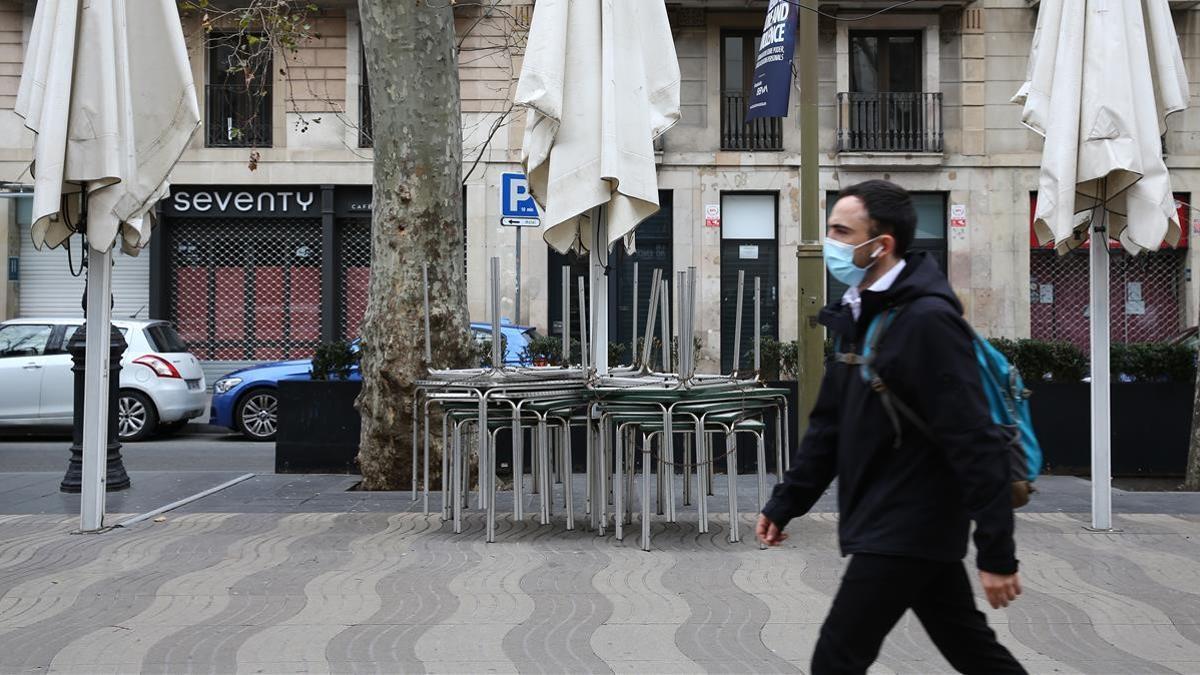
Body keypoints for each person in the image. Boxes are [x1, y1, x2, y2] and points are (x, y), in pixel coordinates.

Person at [757, 180, 1026, 675]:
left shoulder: (927, 321)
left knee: (836, 658)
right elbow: (828, 428)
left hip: (906, 522)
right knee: (973, 651)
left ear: (880, 246)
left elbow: (975, 438)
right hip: (903, 523)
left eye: (842, 231)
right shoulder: (860, 314)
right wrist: (787, 502)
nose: (831, 242)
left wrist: (997, 551)